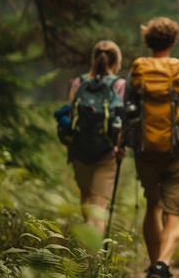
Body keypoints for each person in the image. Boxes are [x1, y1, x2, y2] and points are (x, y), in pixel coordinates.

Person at [125, 17, 179, 278]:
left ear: (148, 41)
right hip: (175, 152)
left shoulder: (136, 75)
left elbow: (126, 114)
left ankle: (153, 263)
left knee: (152, 205)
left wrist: (128, 144)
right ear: (174, 41)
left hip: (145, 152)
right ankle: (162, 264)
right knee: (173, 214)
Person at [67, 40, 126, 234]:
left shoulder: (78, 83)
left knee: (86, 201)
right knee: (98, 210)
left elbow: (70, 118)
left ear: (94, 60)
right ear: (116, 62)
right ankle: (93, 259)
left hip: (79, 153)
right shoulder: (119, 85)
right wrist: (120, 147)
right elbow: (121, 121)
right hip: (107, 155)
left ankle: (86, 249)